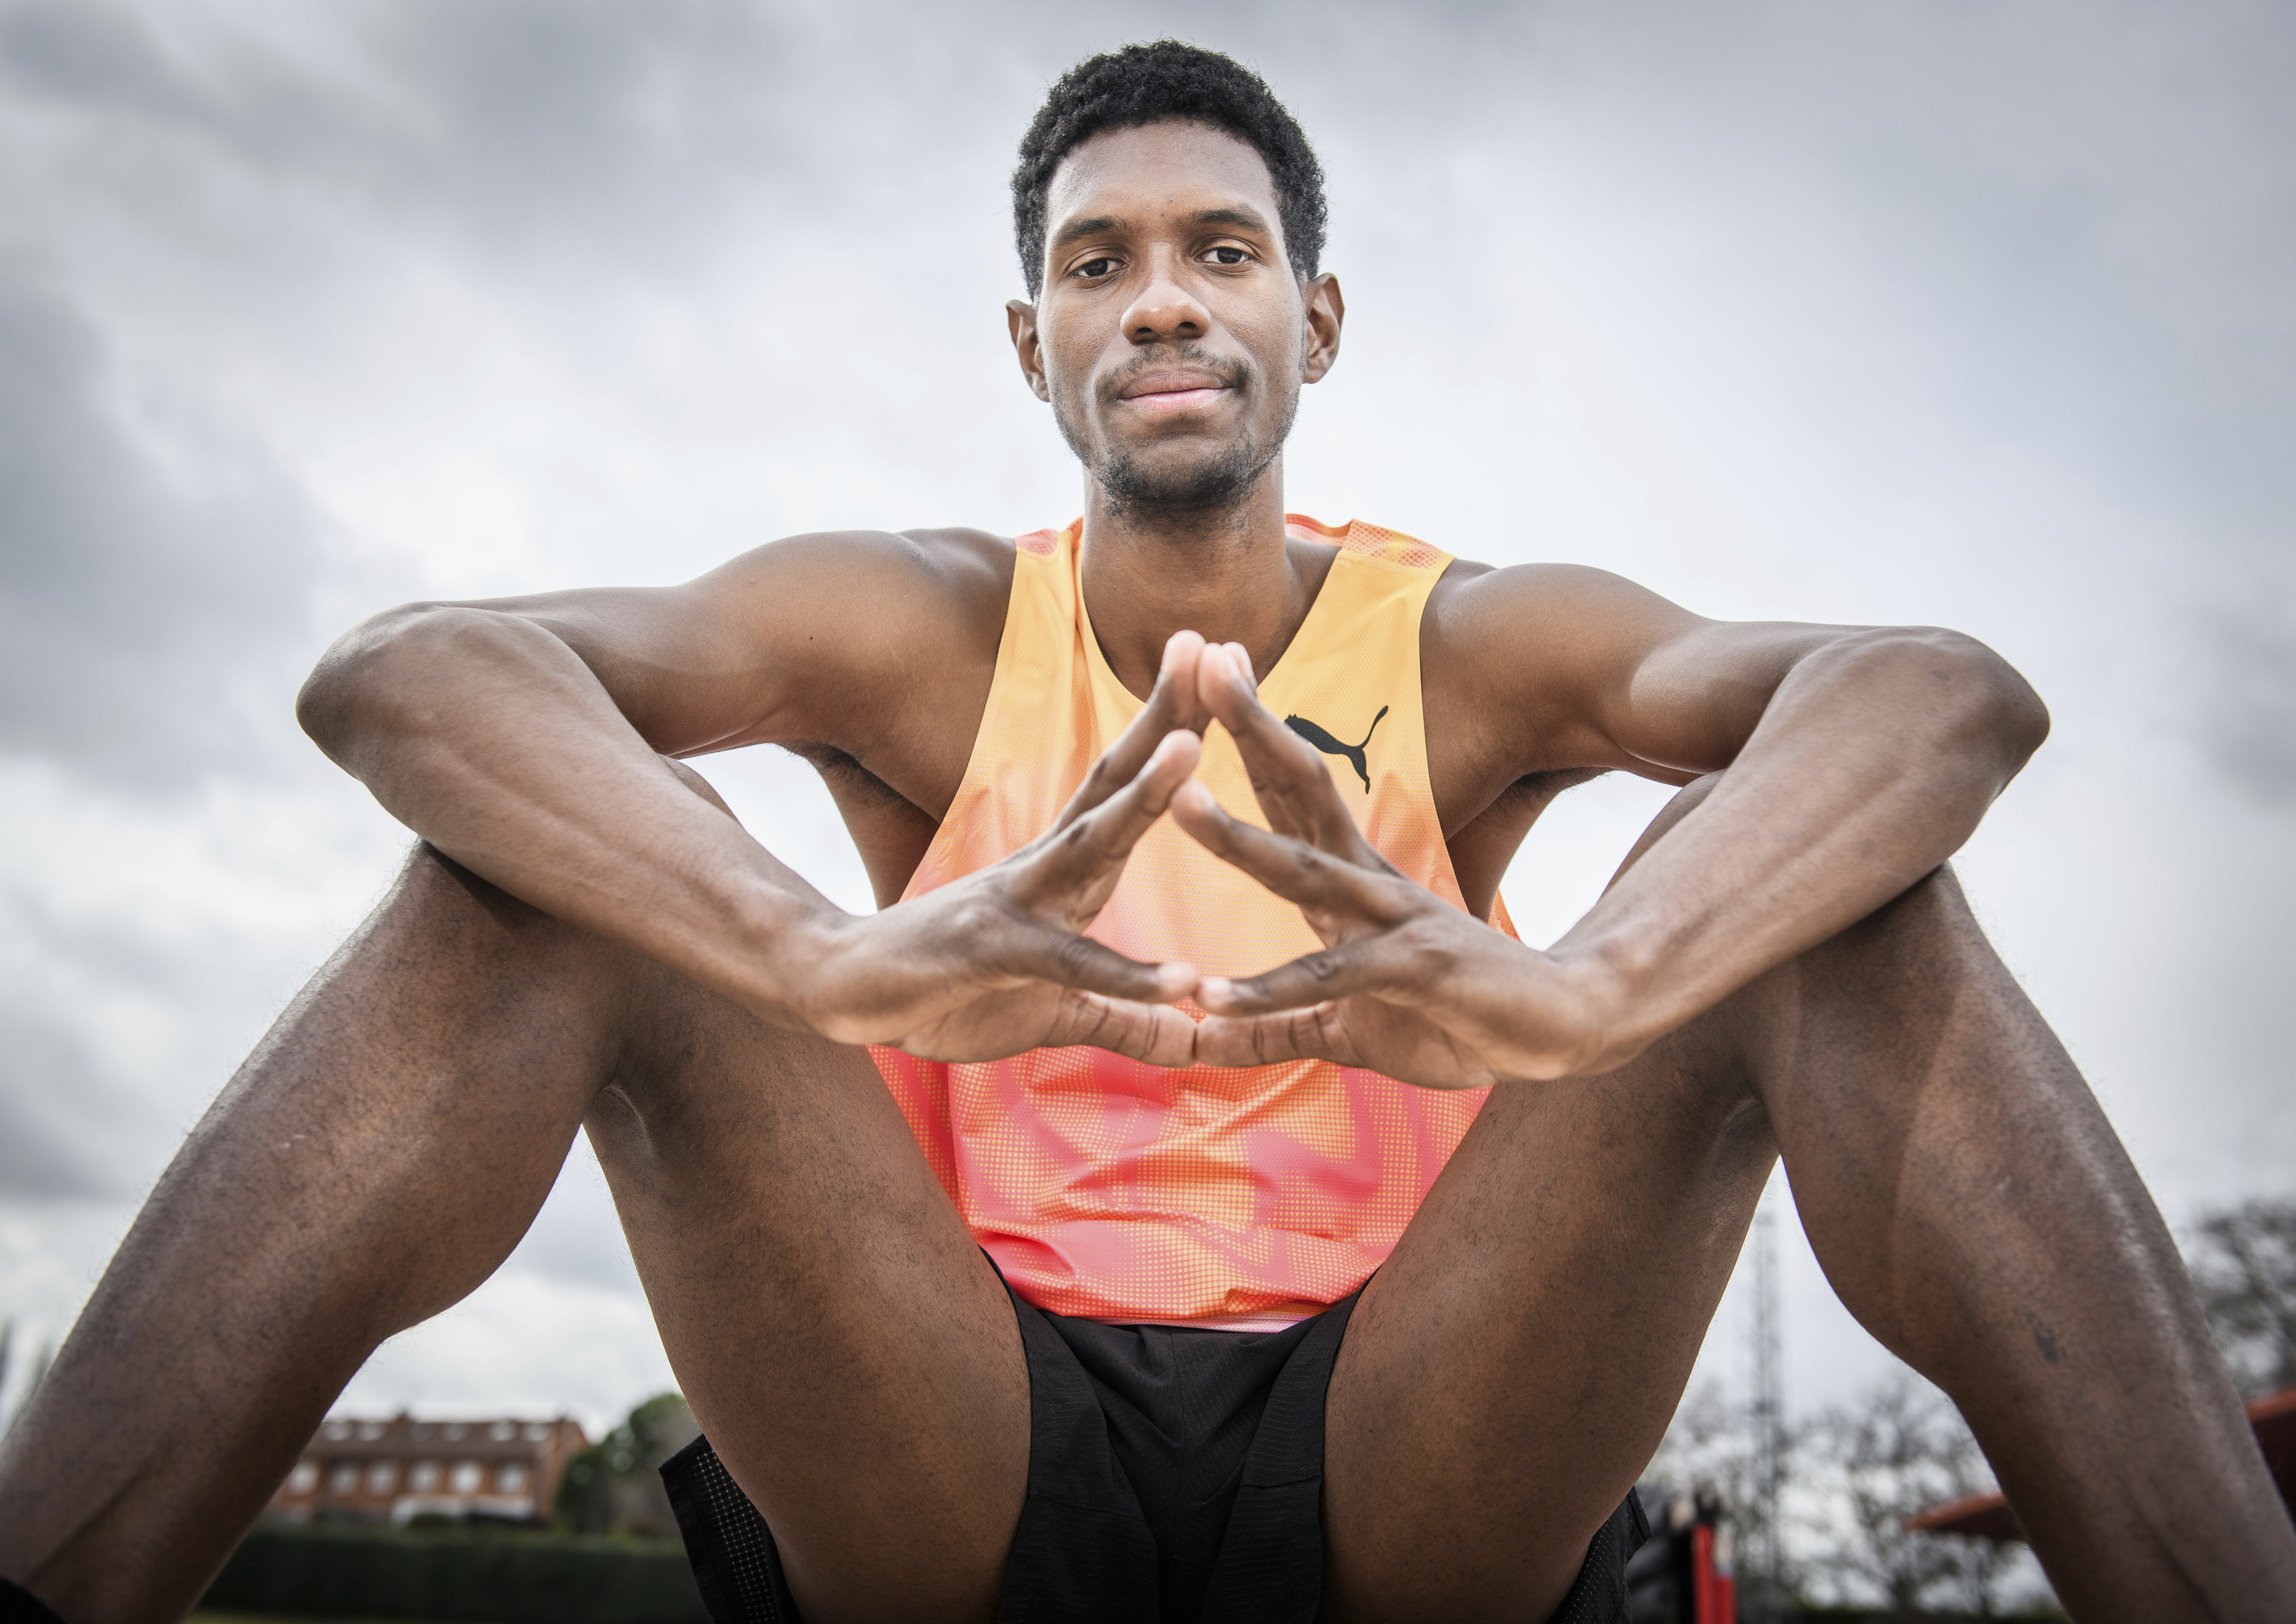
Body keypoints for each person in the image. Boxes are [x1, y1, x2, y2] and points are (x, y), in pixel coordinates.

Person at [0, 40, 2288, 1624]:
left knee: (1845, 904)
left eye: (1216, 248)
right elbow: (407, 673)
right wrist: (820, 957)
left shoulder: (1475, 648)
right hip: (959, 1434)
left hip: (1410, 1438)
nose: (1163, 294)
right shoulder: (911, 625)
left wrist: (1578, 986)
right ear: (1031, 343)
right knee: (518, 890)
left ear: (1318, 314)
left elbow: (1936, 693)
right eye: (1100, 261)